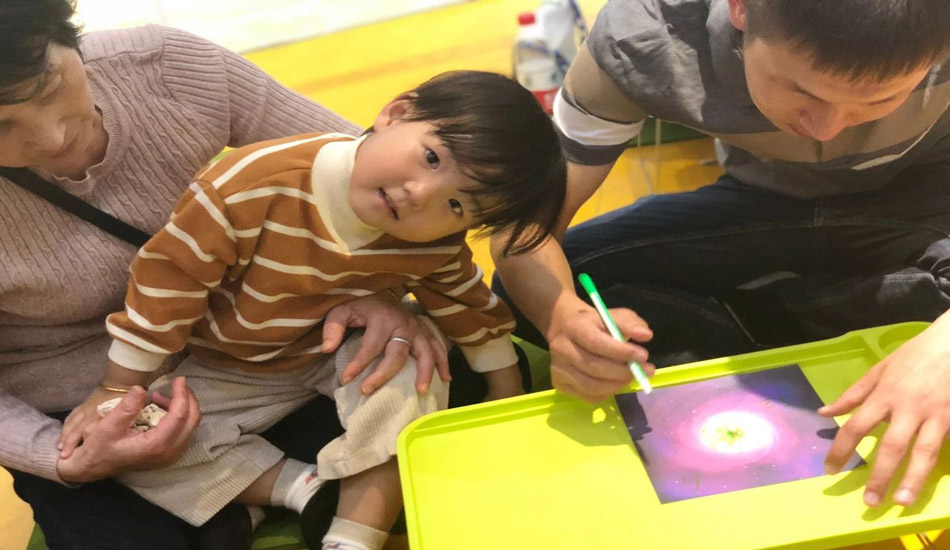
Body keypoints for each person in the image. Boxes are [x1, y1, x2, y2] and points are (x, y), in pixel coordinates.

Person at [0, 1, 451, 548]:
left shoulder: (165, 65)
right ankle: (281, 494)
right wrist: (60, 457)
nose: (51, 137)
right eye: (1, 126)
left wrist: (376, 289)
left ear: (67, 33)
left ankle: (244, 505)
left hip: (259, 342)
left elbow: (377, 180)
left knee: (435, 397)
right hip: (80, 400)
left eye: (49, 88)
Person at [57, 69, 567, 550]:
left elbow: (465, 300)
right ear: (396, 113)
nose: (420, 196)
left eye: (457, 206)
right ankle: (302, 489)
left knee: (417, 372)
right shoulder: (253, 183)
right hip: (229, 364)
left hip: (340, 352)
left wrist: (506, 394)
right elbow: (167, 284)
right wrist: (119, 386)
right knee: (132, 445)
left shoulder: (433, 240)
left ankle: (352, 536)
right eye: (432, 158)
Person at [491, 0, 950, 511]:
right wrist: (562, 320)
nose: (827, 128)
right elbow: (525, 226)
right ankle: (802, 320)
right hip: (767, 201)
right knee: (537, 287)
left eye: (880, 99)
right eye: (800, 89)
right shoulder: (642, 36)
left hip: (927, 209)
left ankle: (751, 327)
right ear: (741, 8)